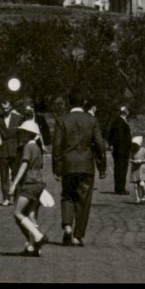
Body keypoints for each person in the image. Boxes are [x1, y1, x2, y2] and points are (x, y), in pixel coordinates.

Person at [52, 92, 107, 247]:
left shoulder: (62, 120)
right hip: (86, 165)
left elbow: (57, 145)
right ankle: (78, 236)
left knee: (67, 196)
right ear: (84, 103)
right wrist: (102, 166)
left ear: (69, 102)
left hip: (68, 165)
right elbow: (100, 144)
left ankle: (67, 226)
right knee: (84, 201)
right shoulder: (92, 120)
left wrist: (57, 168)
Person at [8, 119, 50, 257]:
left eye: (23, 132)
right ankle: (33, 247)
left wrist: (14, 184)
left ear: (28, 133)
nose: (21, 134)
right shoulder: (37, 148)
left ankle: (38, 236)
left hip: (30, 182)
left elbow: (24, 164)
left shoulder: (27, 147)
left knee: (18, 212)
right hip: (39, 182)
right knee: (31, 214)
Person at [0, 98, 24, 205]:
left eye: (7, 108)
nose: (5, 110)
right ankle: (6, 198)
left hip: (15, 149)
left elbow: (21, 134)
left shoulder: (18, 118)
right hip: (3, 150)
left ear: (11, 107)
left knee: (17, 174)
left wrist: (20, 147)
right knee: (4, 176)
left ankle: (17, 197)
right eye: (3, 108)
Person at [107, 105, 133, 195]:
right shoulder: (121, 122)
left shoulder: (116, 122)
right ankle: (120, 188)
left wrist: (111, 145)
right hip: (122, 150)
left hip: (118, 149)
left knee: (118, 168)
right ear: (126, 112)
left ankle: (118, 187)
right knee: (122, 168)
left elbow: (110, 135)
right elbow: (121, 137)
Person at [129, 137, 145, 204]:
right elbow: (130, 159)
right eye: (134, 144)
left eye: (136, 145)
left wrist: (141, 161)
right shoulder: (132, 150)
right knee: (135, 185)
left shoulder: (144, 150)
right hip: (135, 168)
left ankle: (143, 196)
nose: (134, 146)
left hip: (142, 168)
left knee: (142, 184)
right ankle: (137, 198)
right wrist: (134, 161)